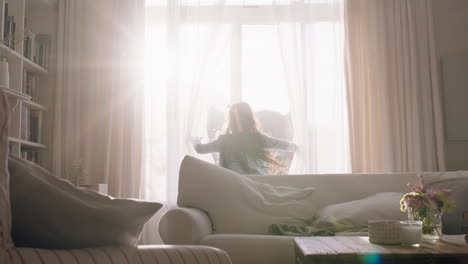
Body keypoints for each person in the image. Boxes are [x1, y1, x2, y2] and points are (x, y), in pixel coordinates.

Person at [192, 102, 297, 175]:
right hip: (254, 186)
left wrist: (194, 139)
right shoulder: (259, 139)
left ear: (230, 120)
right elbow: (284, 145)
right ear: (250, 118)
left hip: (229, 186)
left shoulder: (224, 141)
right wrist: (299, 147)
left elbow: (200, 149)